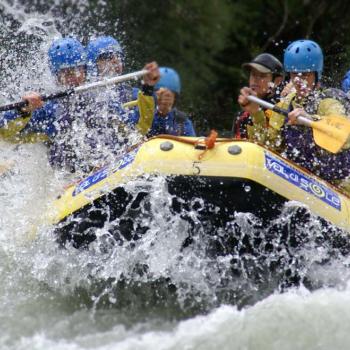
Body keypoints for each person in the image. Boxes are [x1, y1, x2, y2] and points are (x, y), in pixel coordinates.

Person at [0, 37, 159, 173]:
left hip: (101, 171)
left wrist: (147, 89)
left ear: (85, 70)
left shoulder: (101, 100)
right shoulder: (48, 109)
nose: (74, 78)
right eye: (66, 73)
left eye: (78, 70)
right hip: (67, 179)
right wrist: (23, 111)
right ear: (56, 77)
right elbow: (7, 136)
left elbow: (138, 130)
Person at [240, 39, 350, 185]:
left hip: (338, 185)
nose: (298, 80)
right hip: (302, 181)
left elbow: (345, 136)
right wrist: (256, 113)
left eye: (305, 75)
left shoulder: (328, 101)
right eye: (294, 74)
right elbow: (268, 146)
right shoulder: (286, 104)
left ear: (316, 74)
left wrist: (310, 120)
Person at [131, 67, 196, 137]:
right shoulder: (140, 113)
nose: (165, 99)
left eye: (169, 95)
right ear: (153, 94)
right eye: (161, 94)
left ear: (175, 97)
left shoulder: (182, 122)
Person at [235, 53, 284, 140]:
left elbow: (270, 147)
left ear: (277, 81)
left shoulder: (281, 109)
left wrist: (256, 112)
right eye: (253, 74)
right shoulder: (243, 114)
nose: (255, 79)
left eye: (262, 76)